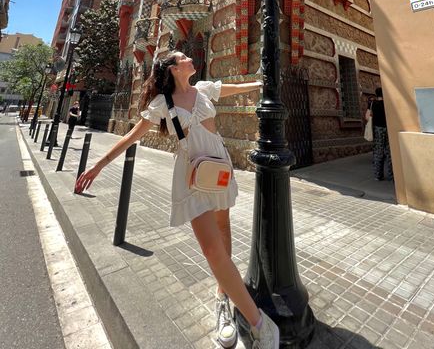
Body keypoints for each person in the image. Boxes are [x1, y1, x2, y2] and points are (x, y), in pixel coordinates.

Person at [75, 51, 280, 349]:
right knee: (212, 249)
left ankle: (223, 296)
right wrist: (97, 165)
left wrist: (262, 84)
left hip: (219, 166)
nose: (190, 59)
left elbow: (234, 88)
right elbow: (131, 136)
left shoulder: (204, 89)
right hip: (191, 174)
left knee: (223, 230)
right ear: (172, 69)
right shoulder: (162, 104)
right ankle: (261, 325)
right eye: (183, 57)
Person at [365, 86, 393, 181]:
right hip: (388, 129)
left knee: (378, 152)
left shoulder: (372, 103)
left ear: (376, 95)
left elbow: (367, 117)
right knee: (389, 152)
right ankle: (392, 175)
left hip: (378, 129)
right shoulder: (388, 104)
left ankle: (378, 175)